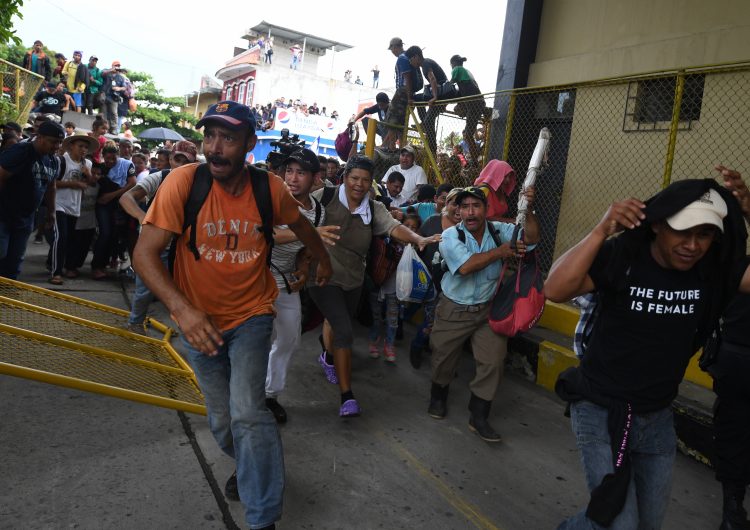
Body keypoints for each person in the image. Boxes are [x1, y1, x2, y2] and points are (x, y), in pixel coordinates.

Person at [133, 100, 332, 530]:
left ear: (250, 144)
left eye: (228, 138)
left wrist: (319, 261)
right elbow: (144, 255)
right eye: (210, 136)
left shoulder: (270, 188)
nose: (215, 148)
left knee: (248, 413)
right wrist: (182, 311)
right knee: (223, 422)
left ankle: (262, 518)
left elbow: (301, 226)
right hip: (198, 323)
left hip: (252, 314)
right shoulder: (184, 183)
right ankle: (252, 466)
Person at [545, 170, 750, 529]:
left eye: (704, 235)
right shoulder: (625, 257)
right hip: (600, 407)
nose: (692, 245)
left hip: (656, 418)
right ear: (657, 225)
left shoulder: (712, 272)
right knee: (618, 523)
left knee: (647, 524)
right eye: (683, 231)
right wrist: (600, 230)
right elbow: (555, 289)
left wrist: (749, 212)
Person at [308, 154, 440, 417]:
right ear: (345, 178)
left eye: (365, 180)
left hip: (354, 278)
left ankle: (328, 356)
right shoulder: (324, 197)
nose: (359, 184)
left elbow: (393, 228)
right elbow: (300, 220)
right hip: (322, 274)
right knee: (344, 331)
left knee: (336, 320)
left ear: (371, 183)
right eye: (354, 178)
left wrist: (417, 238)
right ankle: (347, 397)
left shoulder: (374, 208)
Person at [428, 184, 539, 443]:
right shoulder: (450, 237)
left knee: (492, 362)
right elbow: (466, 267)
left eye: (476, 206)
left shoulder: (498, 230)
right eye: (464, 206)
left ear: (485, 210)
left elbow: (531, 238)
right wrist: (502, 252)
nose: (470, 212)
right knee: (442, 358)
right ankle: (438, 396)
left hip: (487, 310)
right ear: (457, 211)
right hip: (454, 309)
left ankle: (479, 416)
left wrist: (529, 208)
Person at [265, 148, 339, 424]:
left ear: (315, 179)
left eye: (301, 172)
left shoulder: (318, 211)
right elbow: (270, 236)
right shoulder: (274, 201)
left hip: (287, 282)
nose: (293, 178)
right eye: (289, 171)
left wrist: (304, 265)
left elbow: (305, 249)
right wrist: (312, 234)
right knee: (257, 339)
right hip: (259, 278)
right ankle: (248, 393)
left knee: (288, 338)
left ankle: (269, 395)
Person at [119, 141, 197, 333]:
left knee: (187, 292)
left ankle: (189, 330)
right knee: (145, 289)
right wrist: (141, 216)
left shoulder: (199, 184)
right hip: (155, 247)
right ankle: (135, 323)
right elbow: (126, 198)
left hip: (184, 247)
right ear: (171, 159)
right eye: (177, 159)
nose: (181, 165)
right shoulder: (160, 177)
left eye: (186, 161)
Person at [0, 121, 64, 279]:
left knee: (15, 261)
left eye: (60, 142)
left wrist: (51, 211)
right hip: (3, 214)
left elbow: (51, 187)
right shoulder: (20, 151)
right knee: (1, 252)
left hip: (26, 218)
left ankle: (8, 296)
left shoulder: (54, 160)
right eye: (53, 141)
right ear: (40, 137)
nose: (57, 146)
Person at [712, 287, 750, 530]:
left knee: (732, 435)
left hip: (734, 362)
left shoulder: (739, 270)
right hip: (738, 360)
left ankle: (732, 511)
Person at [410, 187, 461, 368]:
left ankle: (434, 352)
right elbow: (417, 245)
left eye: (462, 205)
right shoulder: (432, 222)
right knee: (430, 319)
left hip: (452, 284)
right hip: (428, 281)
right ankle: (417, 346)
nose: (458, 208)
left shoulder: (464, 229)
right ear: (446, 205)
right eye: (454, 203)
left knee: (442, 323)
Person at [46, 133, 97, 285]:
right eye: (80, 146)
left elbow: (91, 184)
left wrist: (88, 176)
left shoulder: (87, 164)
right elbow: (52, 183)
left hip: (75, 206)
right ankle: (56, 272)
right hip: (59, 204)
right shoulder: (61, 161)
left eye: (86, 147)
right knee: (61, 237)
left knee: (67, 239)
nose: (83, 150)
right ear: (71, 146)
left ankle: (52, 263)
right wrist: (72, 184)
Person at [90, 143, 136, 280]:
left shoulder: (127, 165)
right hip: (103, 205)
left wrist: (112, 195)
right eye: (107, 159)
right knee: (105, 233)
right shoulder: (101, 168)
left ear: (118, 156)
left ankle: (104, 265)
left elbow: (132, 183)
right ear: (103, 156)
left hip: (119, 205)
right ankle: (96, 266)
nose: (110, 162)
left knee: (114, 235)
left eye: (113, 159)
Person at [404, 46, 452, 155]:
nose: (411, 63)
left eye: (411, 60)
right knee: (416, 98)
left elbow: (432, 78)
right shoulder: (426, 63)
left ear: (416, 56)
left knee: (429, 120)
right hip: (440, 92)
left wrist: (434, 97)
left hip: (441, 95)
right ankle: (424, 123)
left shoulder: (425, 64)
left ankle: (432, 149)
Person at [450, 55, 484, 164]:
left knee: (468, 135)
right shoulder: (467, 73)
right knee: (469, 133)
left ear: (453, 63)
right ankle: (475, 159)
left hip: (474, 104)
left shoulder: (457, 69)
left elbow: (450, 85)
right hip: (477, 102)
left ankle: (475, 161)